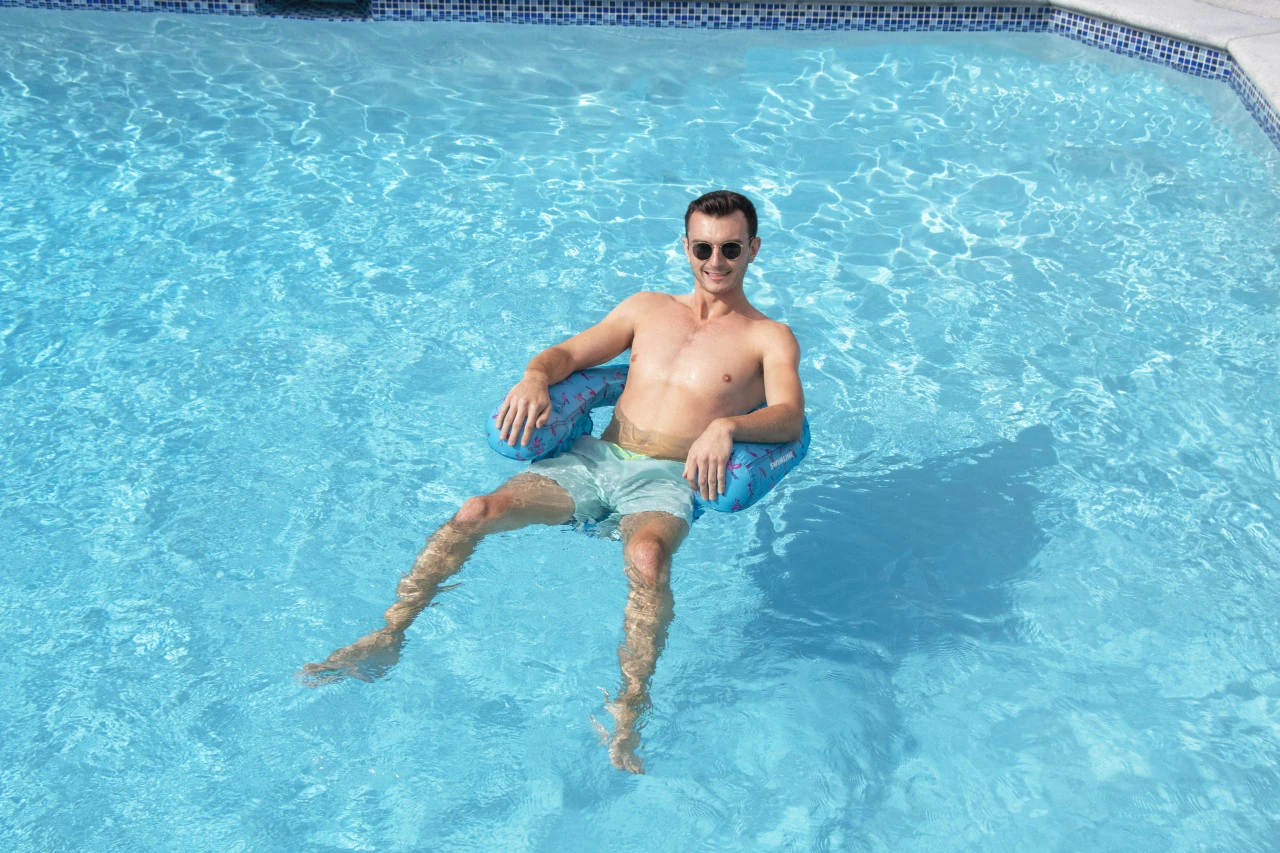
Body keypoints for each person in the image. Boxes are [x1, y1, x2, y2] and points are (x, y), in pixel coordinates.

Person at [299, 190, 806, 774]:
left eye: (730, 249)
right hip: (594, 459)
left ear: (753, 250)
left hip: (667, 479)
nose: (715, 262)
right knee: (476, 511)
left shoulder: (769, 337)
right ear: (686, 247)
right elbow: (567, 354)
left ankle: (629, 708)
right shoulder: (647, 309)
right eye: (703, 248)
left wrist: (726, 426)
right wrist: (535, 377)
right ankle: (388, 634)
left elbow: (788, 416)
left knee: (647, 559)